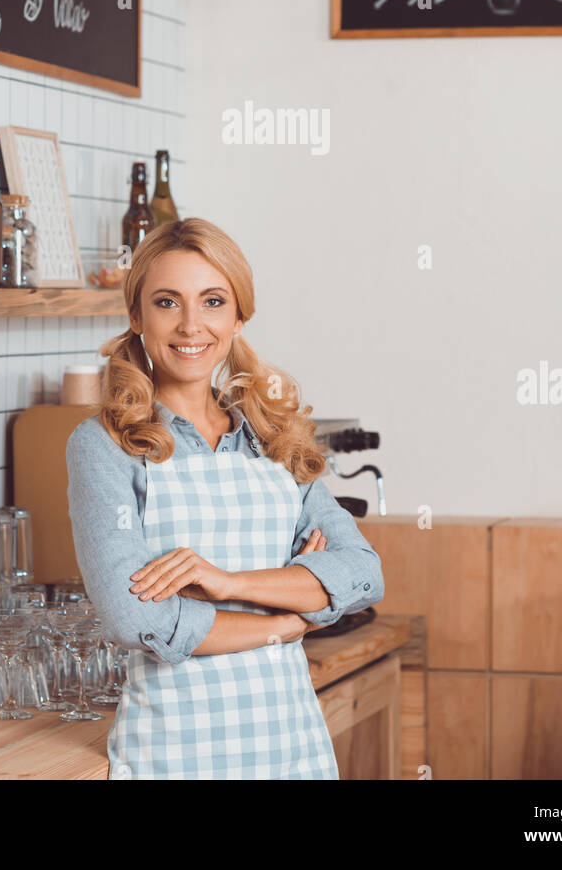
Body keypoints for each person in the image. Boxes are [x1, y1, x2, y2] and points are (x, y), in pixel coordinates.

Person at [66, 216, 385, 779]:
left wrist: (228, 584)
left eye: (212, 301)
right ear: (137, 315)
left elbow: (361, 574)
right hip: (173, 754)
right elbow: (130, 615)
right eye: (167, 302)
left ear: (239, 316)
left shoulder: (275, 436)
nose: (192, 325)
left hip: (292, 748)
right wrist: (285, 618)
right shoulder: (106, 445)